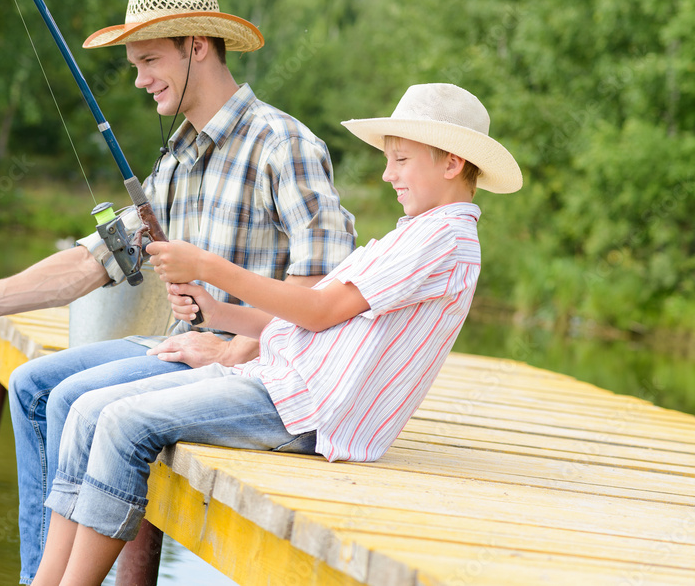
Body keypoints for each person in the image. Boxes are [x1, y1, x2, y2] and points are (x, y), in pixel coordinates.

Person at [0, 0, 356, 584]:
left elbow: (327, 294)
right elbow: (95, 260)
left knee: (69, 398)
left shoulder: (283, 144)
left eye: (149, 60)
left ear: (197, 45)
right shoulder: (176, 159)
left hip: (252, 368)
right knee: (33, 384)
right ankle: (40, 573)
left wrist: (236, 348)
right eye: (135, 64)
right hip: (178, 346)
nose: (140, 78)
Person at [30, 83, 523, 585]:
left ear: (452, 163)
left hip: (308, 410)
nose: (386, 172)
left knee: (120, 424)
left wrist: (209, 266)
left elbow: (316, 310)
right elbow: (314, 321)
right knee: (89, 411)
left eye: (400, 160)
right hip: (282, 383)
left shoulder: (445, 239)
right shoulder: (416, 232)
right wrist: (218, 313)